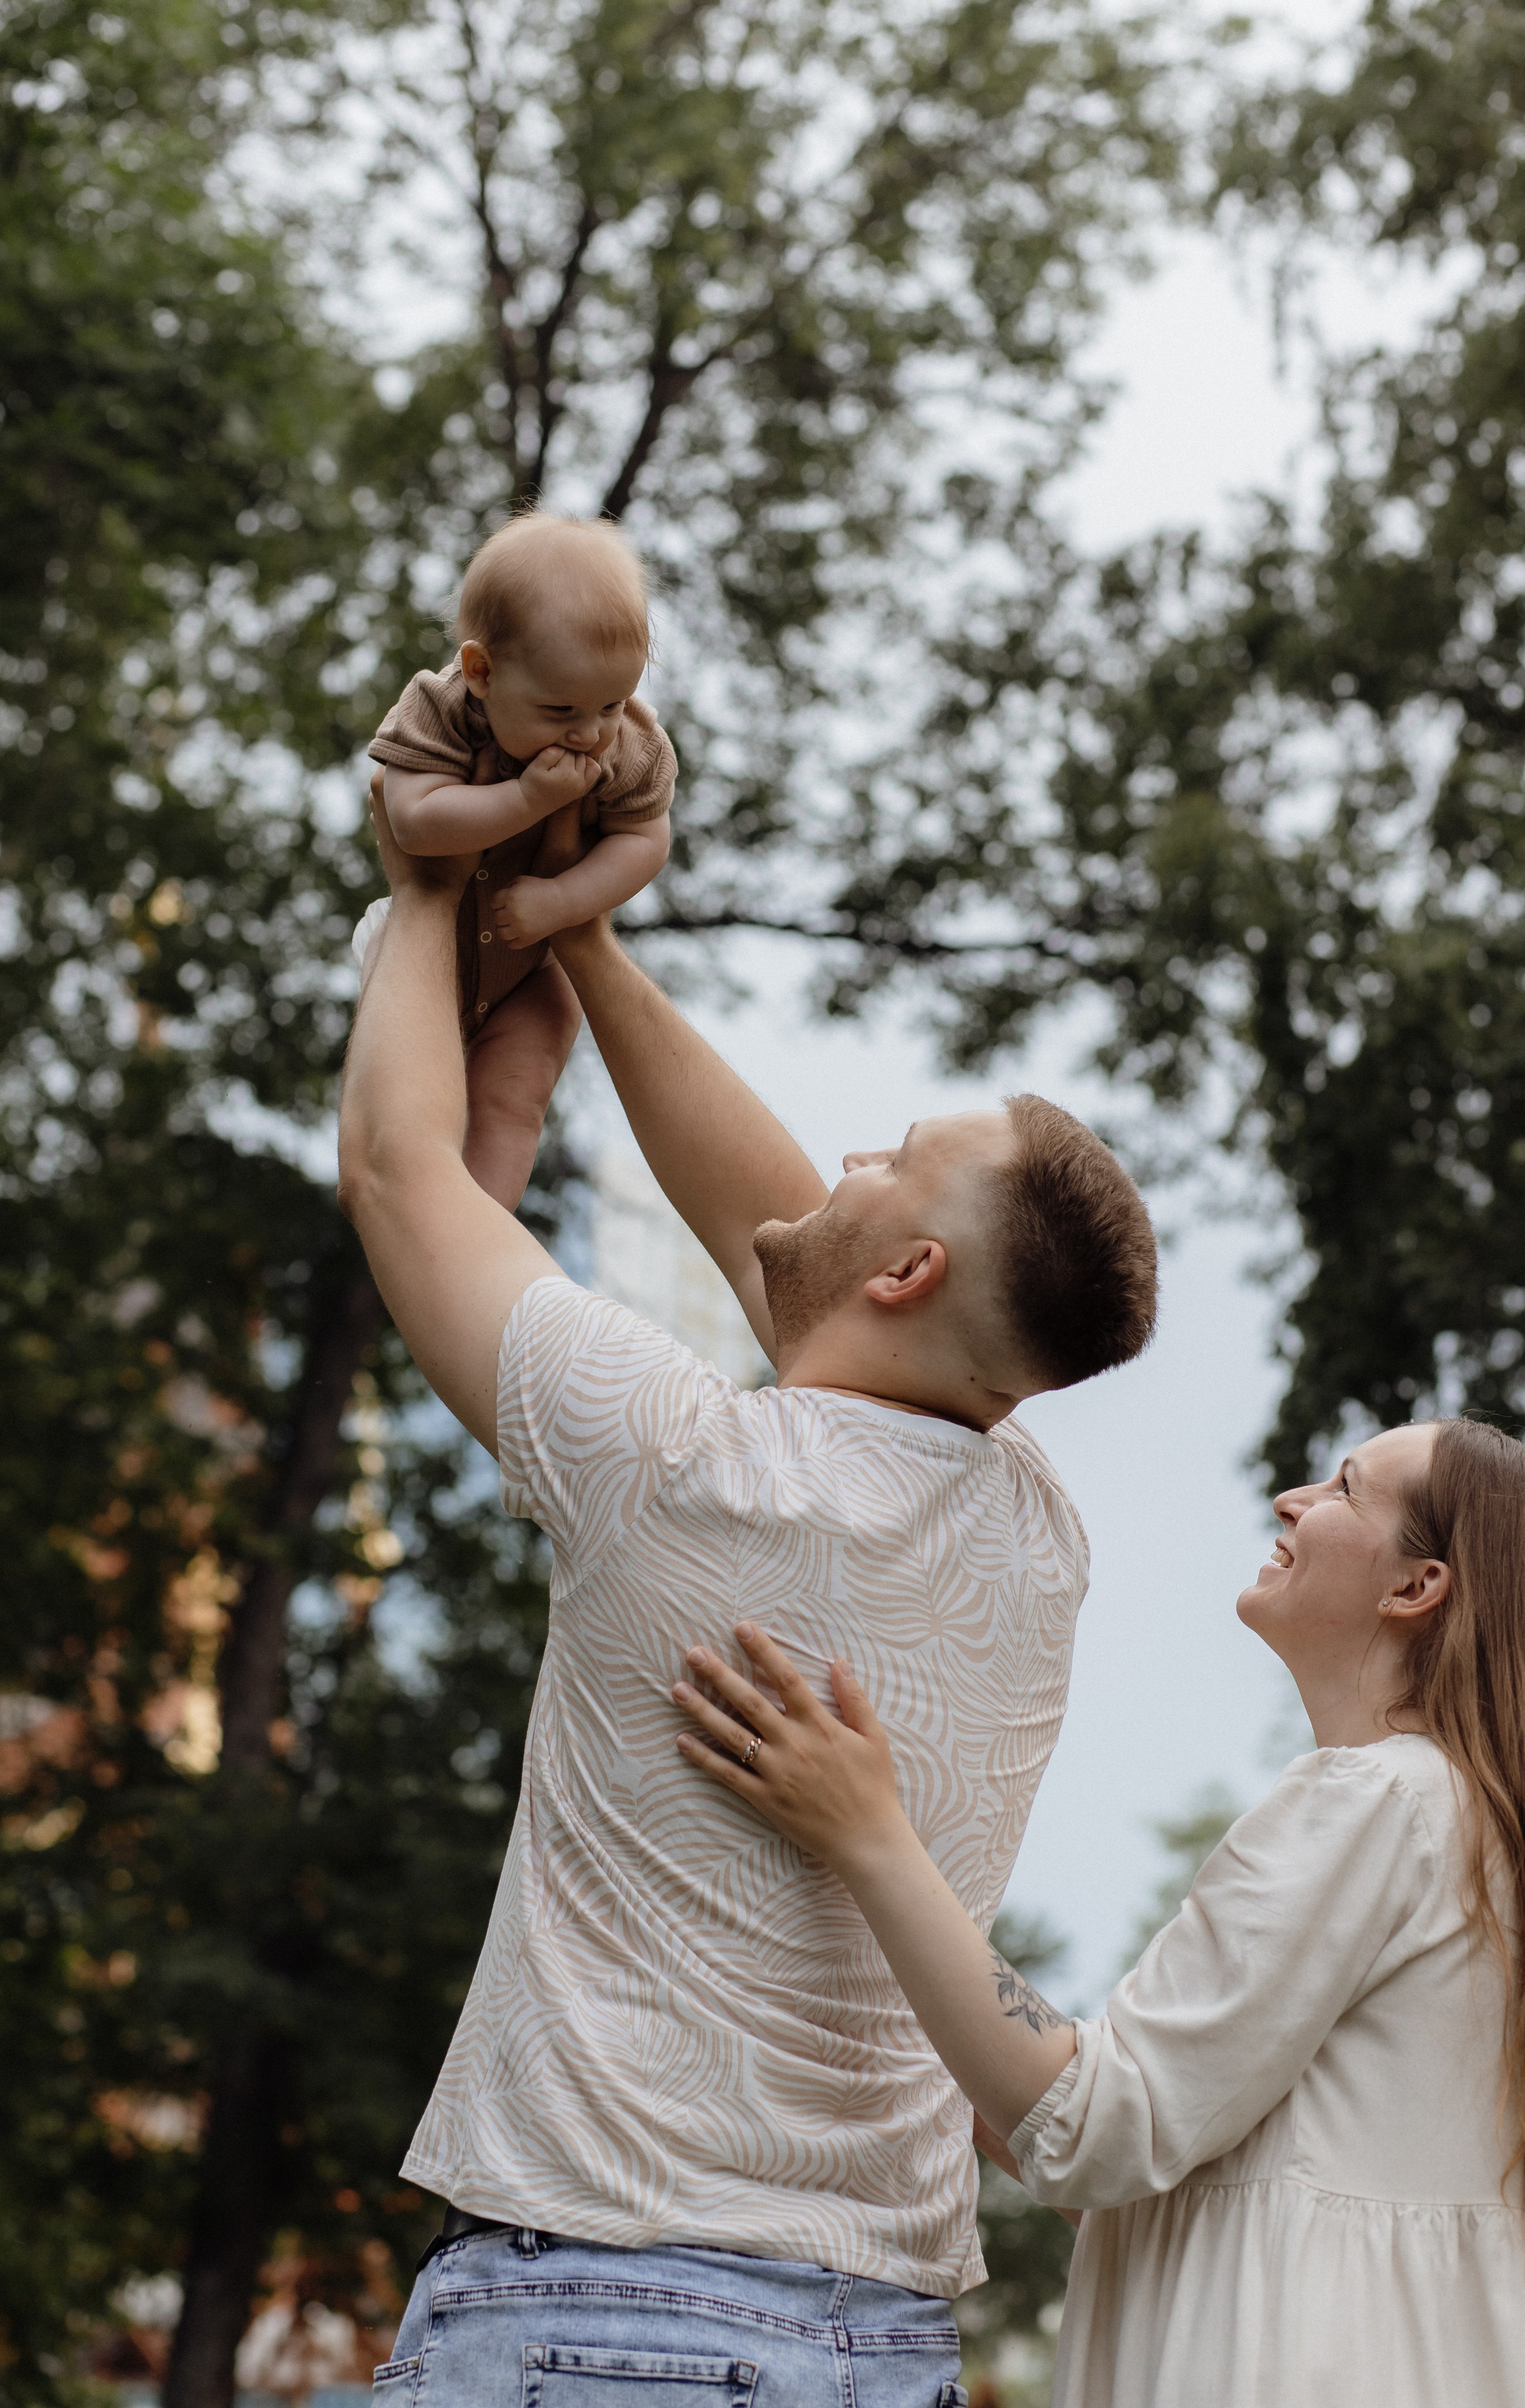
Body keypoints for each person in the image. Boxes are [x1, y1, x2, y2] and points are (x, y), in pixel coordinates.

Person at [335, 788, 1158, 2408]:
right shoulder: (1037, 1541)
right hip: (883, 2342)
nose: (837, 1158)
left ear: (911, 1274)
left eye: (891, 1156)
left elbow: (393, 1165)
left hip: (597, 2313)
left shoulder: (672, 1459)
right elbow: (794, 1247)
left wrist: (435, 866)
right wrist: (585, 938)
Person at [672, 1417, 1525, 2407]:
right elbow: (1146, 2179)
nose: (1293, 1502)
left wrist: (870, 1834)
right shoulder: (1468, 1833)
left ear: (1417, 1588)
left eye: (1343, 1487)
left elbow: (1094, 2129)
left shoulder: (1376, 1802)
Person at [364, 512, 675, 1207]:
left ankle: (483, 1225)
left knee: (516, 1098)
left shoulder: (628, 744)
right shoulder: (438, 710)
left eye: (612, 702)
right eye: (560, 709)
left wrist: (563, 903)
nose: (591, 733)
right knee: (410, 1108)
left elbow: (647, 841)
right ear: (480, 671)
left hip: (534, 969)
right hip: (427, 957)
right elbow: (413, 821)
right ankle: (413, 1208)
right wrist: (528, 799)